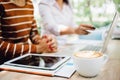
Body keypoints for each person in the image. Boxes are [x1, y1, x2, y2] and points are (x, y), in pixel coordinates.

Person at [0, 0, 57, 65]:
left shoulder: (29, 3)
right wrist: (37, 48)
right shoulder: (2, 3)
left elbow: (33, 34)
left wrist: (46, 42)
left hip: (26, 60)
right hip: (6, 64)